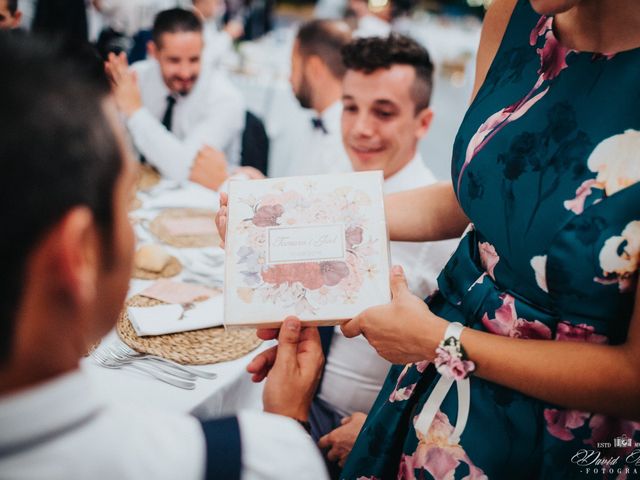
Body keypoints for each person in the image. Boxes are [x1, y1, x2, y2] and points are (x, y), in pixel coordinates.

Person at [333, 0, 640, 478]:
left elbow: (634, 377)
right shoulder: (512, 17)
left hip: (563, 438)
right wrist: (308, 217)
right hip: (436, 392)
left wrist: (442, 340)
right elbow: (475, 196)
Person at [0, 32, 328, 480]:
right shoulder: (255, 461)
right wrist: (286, 423)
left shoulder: (221, 98)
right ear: (78, 257)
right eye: (126, 205)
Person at [217, 33, 458, 474]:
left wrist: (387, 431)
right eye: (350, 107)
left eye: (383, 112)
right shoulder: (324, 190)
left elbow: (453, 365)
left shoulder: (445, 234)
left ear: (423, 123)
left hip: (359, 433)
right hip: (287, 396)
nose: (360, 128)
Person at [105, 8, 245, 189]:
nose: (185, 72)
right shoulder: (137, 77)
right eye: (174, 60)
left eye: (194, 59)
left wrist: (135, 112)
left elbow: (186, 169)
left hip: (205, 204)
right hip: (143, 194)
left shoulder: (226, 98)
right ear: (153, 52)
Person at [284, 19, 353, 177]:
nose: (290, 78)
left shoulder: (347, 138)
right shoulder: (318, 124)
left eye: (293, 67)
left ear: (315, 68)